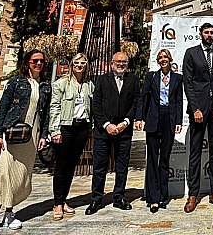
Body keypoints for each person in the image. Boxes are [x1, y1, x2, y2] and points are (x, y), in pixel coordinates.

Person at [0, 49, 51, 234]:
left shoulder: (45, 86)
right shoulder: (15, 82)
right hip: (11, 134)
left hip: (31, 136)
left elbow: (45, 114)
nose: (38, 64)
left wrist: (43, 136)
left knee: (20, 176)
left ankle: (9, 212)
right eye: (35, 61)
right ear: (27, 62)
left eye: (41, 61)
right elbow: (3, 108)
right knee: (4, 174)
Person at [182, 23, 213, 213]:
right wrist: (195, 108)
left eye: (212, 32)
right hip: (198, 111)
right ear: (200, 34)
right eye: (206, 32)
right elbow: (188, 82)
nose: (209, 35)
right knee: (195, 153)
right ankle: (193, 194)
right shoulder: (191, 53)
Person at [85, 52, 139, 215]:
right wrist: (106, 124)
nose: (121, 64)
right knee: (99, 167)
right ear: (111, 63)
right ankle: (96, 199)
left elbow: (136, 102)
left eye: (124, 62)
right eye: (118, 61)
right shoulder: (102, 80)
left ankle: (119, 197)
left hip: (124, 131)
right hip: (103, 131)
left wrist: (125, 122)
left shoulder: (133, 80)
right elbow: (96, 104)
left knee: (122, 166)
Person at [135, 49, 183, 213]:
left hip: (169, 118)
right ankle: (153, 198)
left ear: (170, 59)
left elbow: (178, 101)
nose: (163, 60)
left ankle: (163, 195)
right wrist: (139, 117)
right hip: (153, 119)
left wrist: (178, 121)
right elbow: (143, 97)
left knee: (164, 159)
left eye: (165, 57)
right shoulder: (151, 76)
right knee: (152, 159)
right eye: (160, 57)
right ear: (158, 61)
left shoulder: (177, 78)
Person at [49, 53, 94, 220]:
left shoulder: (89, 85)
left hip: (82, 128)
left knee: (71, 166)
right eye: (76, 63)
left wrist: (91, 127)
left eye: (82, 63)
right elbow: (54, 107)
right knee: (61, 165)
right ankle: (57, 203)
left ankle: (63, 199)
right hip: (65, 127)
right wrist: (55, 131)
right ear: (71, 65)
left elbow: (92, 106)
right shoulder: (61, 83)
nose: (79, 66)